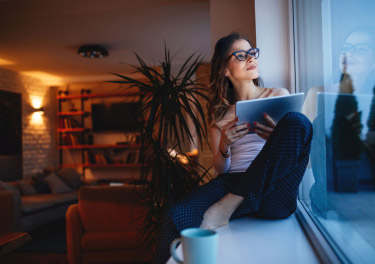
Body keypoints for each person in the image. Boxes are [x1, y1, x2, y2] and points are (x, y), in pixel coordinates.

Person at [153, 32, 313, 263]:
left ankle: (230, 203)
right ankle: (235, 200)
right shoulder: (220, 114)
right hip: (232, 181)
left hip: (273, 191)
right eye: (240, 55)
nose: (250, 59)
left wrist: (278, 139)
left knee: (298, 123)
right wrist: (225, 146)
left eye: (252, 53)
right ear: (225, 70)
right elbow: (221, 169)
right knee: (174, 216)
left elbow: (302, 159)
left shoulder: (279, 95)